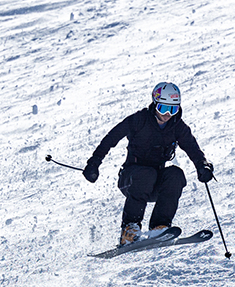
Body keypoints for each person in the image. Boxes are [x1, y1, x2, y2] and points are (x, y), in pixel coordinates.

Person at [83, 82, 214, 245]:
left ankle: (160, 226)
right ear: (154, 104)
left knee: (175, 174)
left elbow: (193, 148)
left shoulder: (177, 127)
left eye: (172, 109)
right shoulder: (139, 120)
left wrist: (203, 166)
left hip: (154, 184)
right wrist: (93, 164)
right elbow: (111, 139)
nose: (167, 114)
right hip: (131, 180)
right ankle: (129, 229)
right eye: (163, 108)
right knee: (147, 174)